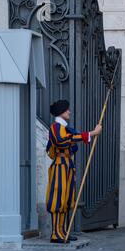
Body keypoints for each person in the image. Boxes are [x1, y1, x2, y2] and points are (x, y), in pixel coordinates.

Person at [45, 99, 102, 243]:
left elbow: (69, 141)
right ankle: (55, 233)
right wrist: (91, 133)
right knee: (58, 199)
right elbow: (61, 141)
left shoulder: (65, 128)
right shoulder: (56, 127)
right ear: (61, 113)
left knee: (66, 200)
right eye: (66, 110)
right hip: (60, 165)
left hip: (68, 165)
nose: (69, 112)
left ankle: (63, 231)